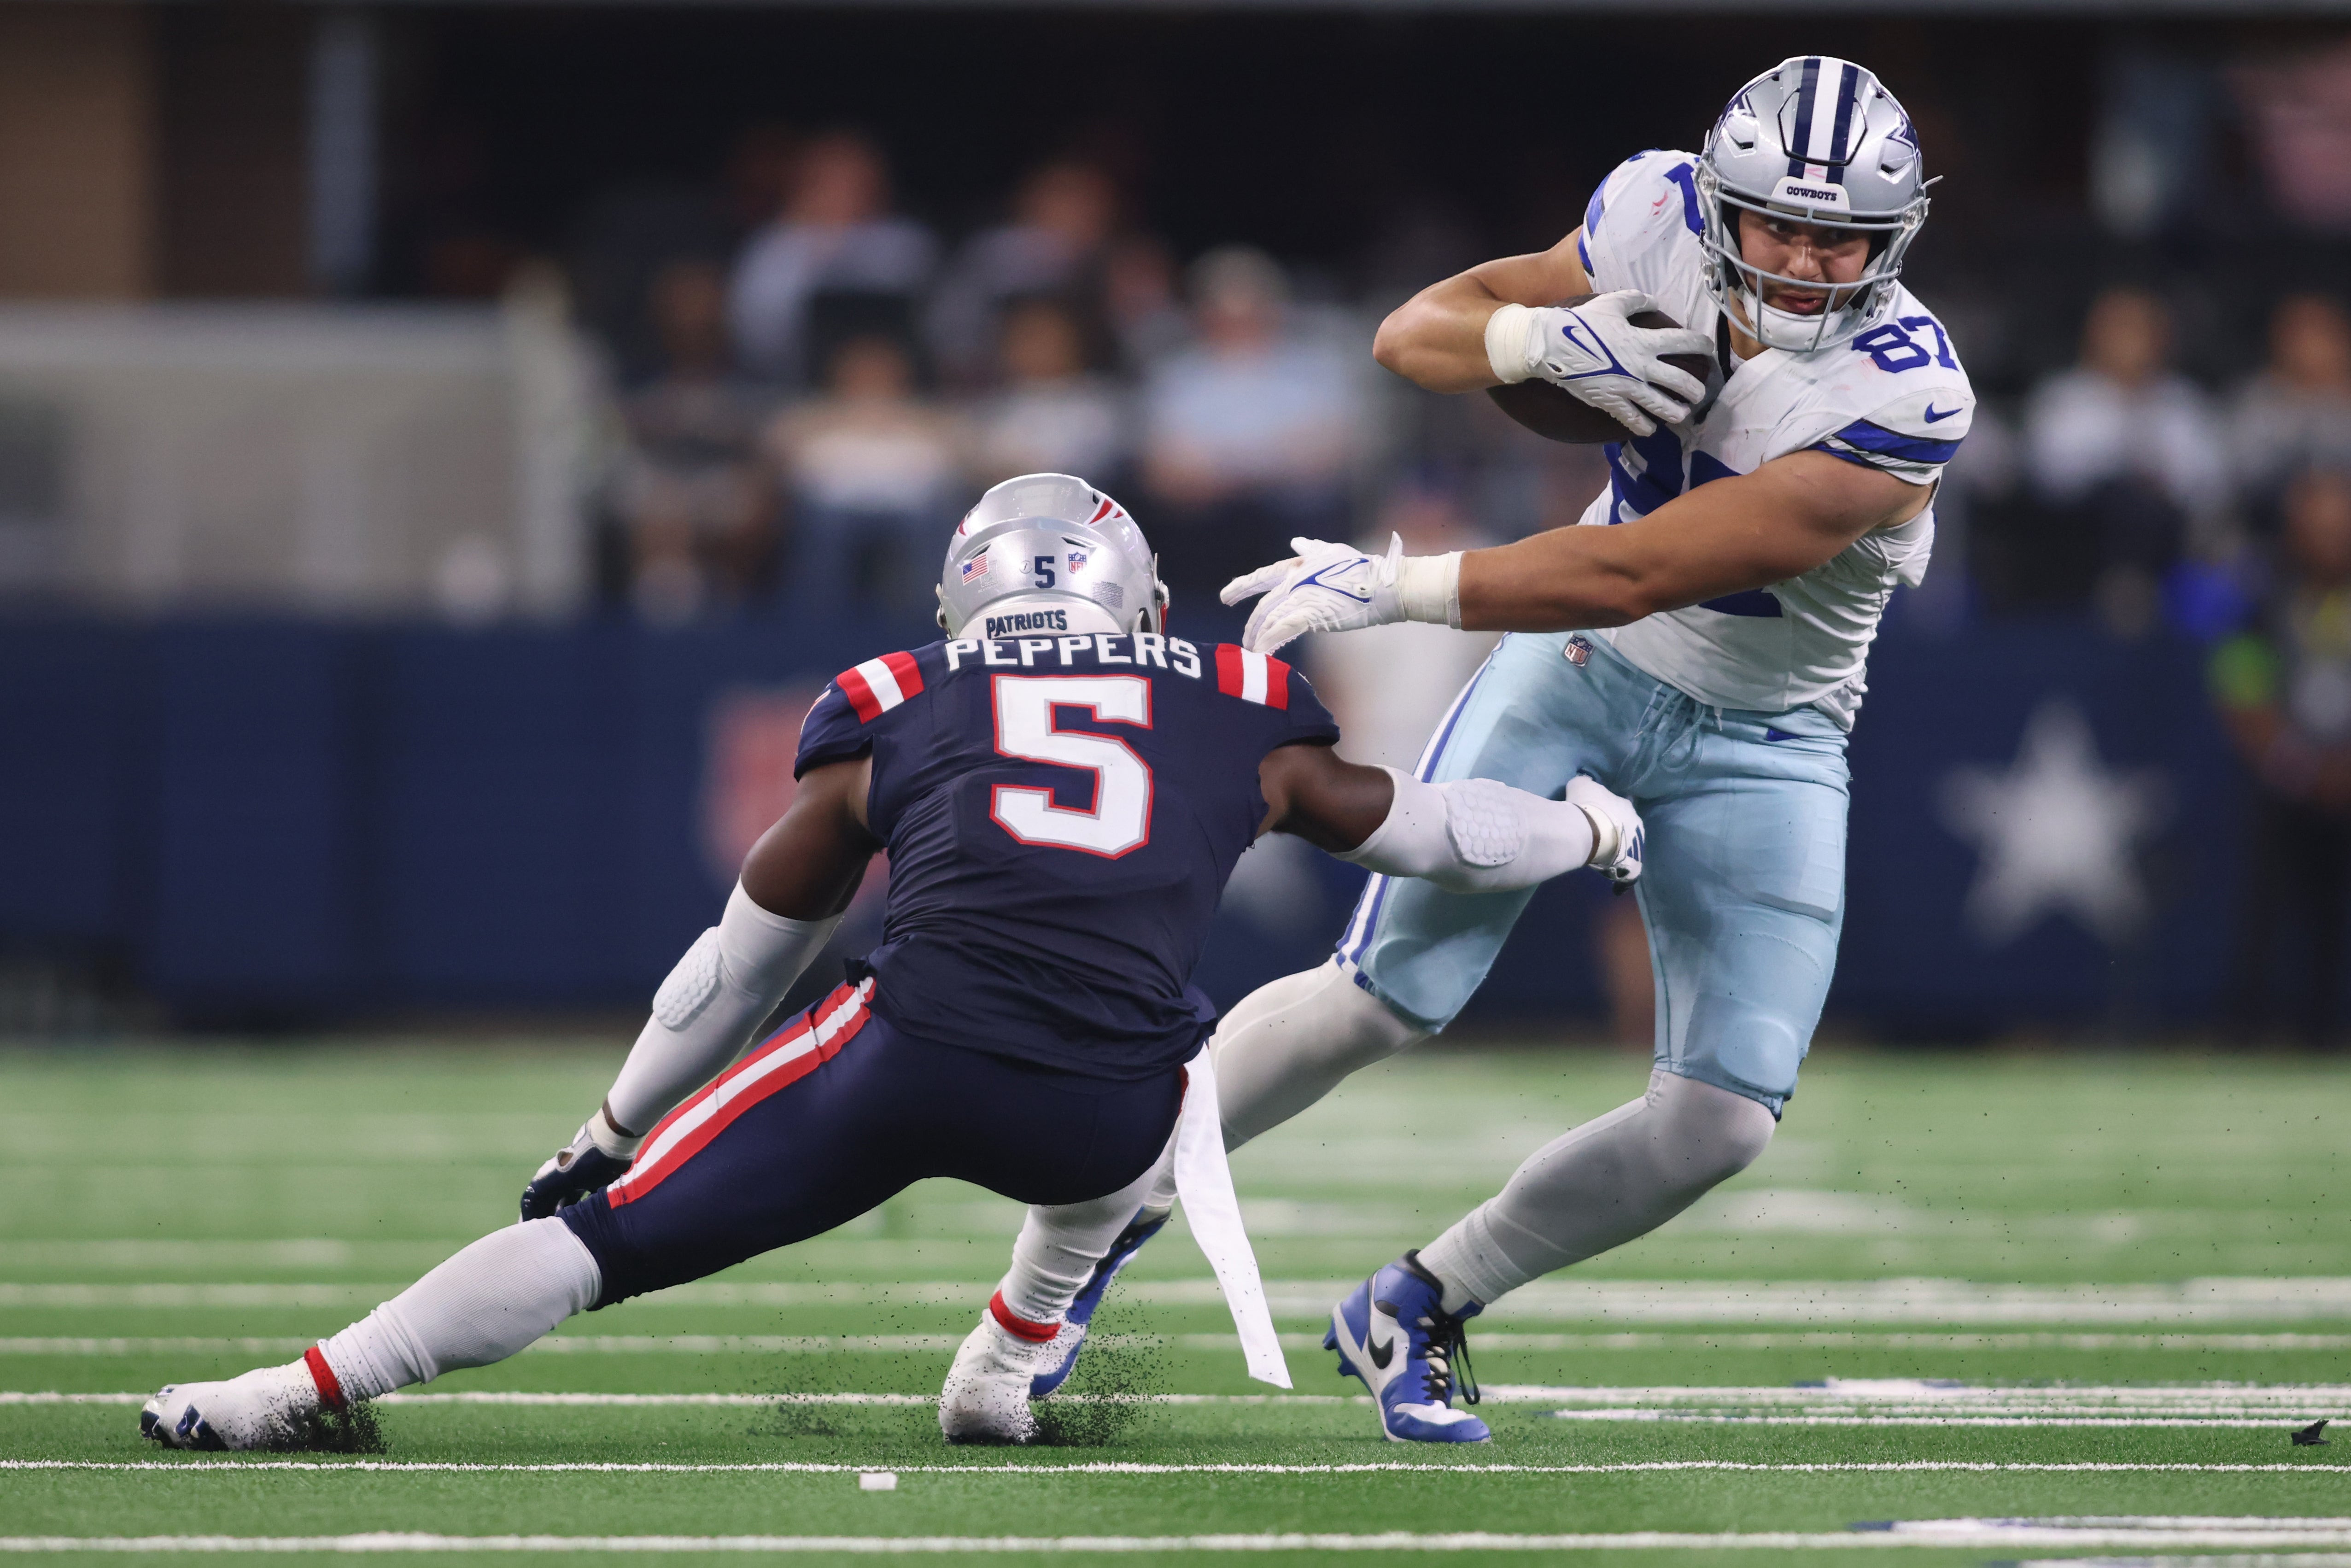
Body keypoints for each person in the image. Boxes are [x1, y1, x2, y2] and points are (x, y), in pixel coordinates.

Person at [138, 472, 1644, 1453]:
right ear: (1145, 605)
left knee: (606, 1238)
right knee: (1163, 1075)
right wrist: (1585, 830)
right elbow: (1435, 832)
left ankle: (314, 1390)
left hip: (906, 1055)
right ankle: (1009, 1353)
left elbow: (736, 970)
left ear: (965, 605)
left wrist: (606, 1131)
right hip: (1112, 1110)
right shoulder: (1238, 699)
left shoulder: (902, 697)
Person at [973, 56, 1977, 1446]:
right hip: (1581, 680)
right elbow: (1413, 331)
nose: (1806, 263)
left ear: (1895, 238)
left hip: (1769, 727)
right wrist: (1527, 347)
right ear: (1720, 207)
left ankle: (1424, 1300)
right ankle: (1089, 1232)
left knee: (1721, 1122)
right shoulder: (1651, 213)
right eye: (1778, 227)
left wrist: (1401, 588)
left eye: (1841, 238)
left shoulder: (1905, 395)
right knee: (1384, 997)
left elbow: (1639, 569)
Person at [2214, 466, 2351, 1046]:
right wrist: (2298, 767)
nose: (2328, 541)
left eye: (2338, 528)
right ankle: (2252, 1034)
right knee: (2267, 914)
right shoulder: (2264, 597)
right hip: (2287, 784)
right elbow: (2241, 687)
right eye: (2315, 528)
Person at [1139, 247, 1363, 600]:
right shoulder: (1178, 377)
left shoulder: (1315, 370)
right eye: (1225, 313)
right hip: (1208, 523)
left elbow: (1330, 457)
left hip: (1292, 520)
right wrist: (1265, 461)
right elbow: (1165, 473)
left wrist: (1232, 467)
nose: (1238, 324)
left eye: (1251, 312)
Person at [2023, 286, 2229, 620]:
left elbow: (2211, 487)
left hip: (2173, 541)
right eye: (2118, 328)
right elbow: (2049, 478)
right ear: (2093, 334)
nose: (2129, 341)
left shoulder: (2185, 404)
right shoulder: (2062, 399)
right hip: (2082, 543)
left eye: (2140, 329)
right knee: (2122, 499)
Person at [610, 258, 778, 622]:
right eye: (683, 303)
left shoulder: (749, 361)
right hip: (660, 470)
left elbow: (766, 431)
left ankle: (731, 608)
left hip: (726, 471)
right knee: (654, 500)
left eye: (703, 302)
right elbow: (621, 425)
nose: (694, 314)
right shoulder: (637, 361)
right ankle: (664, 613)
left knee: (751, 497)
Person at [765, 334, 966, 619]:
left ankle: (928, 621)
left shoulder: (930, 419)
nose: (872, 380)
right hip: (830, 514)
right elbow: (778, 454)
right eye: (861, 372)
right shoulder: (812, 417)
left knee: (934, 527)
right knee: (821, 528)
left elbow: (959, 460)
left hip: (913, 515)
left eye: (881, 371)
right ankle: (812, 623)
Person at [727, 132, 936, 389]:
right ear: (804, 186)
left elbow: (927, 322)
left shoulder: (906, 240)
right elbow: (756, 332)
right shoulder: (771, 246)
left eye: (855, 182)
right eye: (829, 181)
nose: (841, 192)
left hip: (894, 388)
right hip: (790, 385)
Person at [2232, 294, 2351, 533]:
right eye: (2299, 335)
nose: (2310, 346)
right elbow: (2242, 479)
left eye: (2321, 334)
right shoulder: (2255, 401)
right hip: (2276, 531)